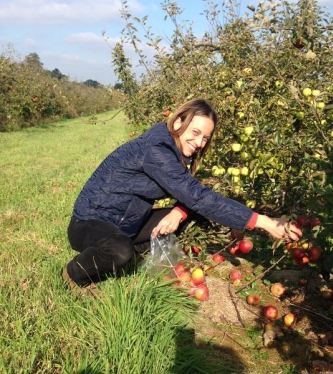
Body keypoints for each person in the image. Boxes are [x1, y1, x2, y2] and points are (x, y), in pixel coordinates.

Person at [62, 98, 302, 290]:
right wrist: (264, 222)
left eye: (205, 138)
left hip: (127, 221)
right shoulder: (157, 151)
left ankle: (138, 254)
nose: (200, 142)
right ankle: (75, 275)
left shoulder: (174, 152)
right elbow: (197, 195)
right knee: (119, 250)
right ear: (177, 122)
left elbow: (192, 195)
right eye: (196, 132)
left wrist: (179, 211)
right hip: (89, 223)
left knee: (195, 213)